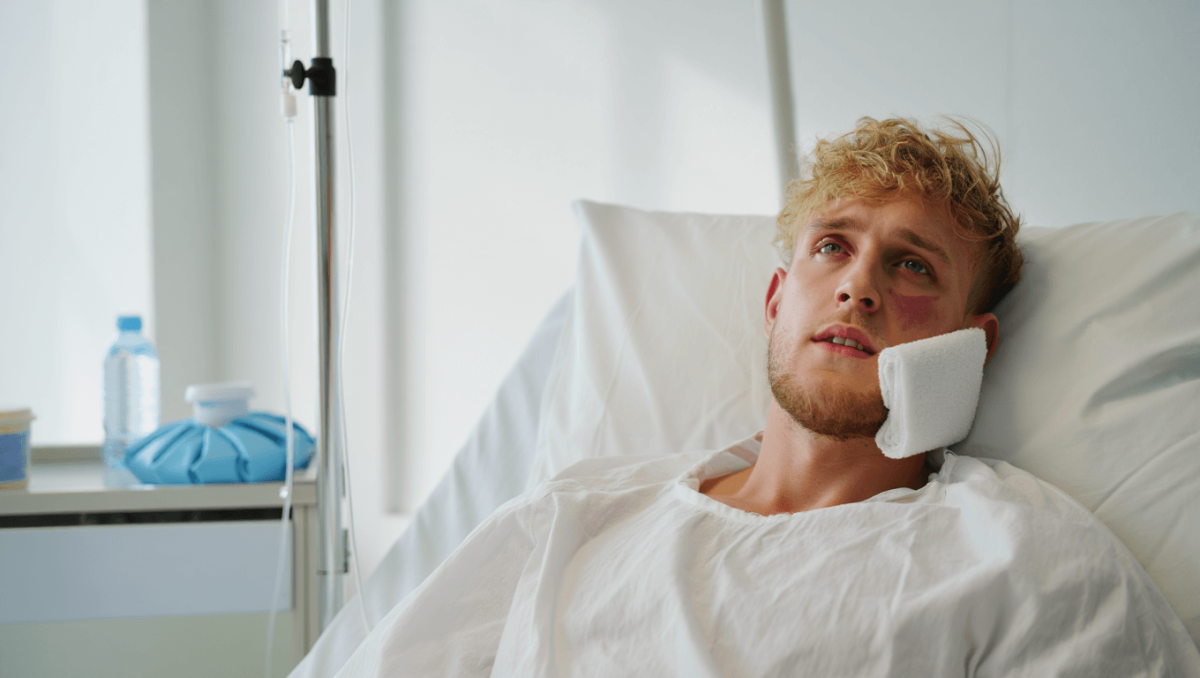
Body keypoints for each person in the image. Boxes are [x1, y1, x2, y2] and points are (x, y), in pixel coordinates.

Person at [332, 118, 1200, 677]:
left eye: (912, 266)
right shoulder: (573, 520)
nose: (859, 288)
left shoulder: (1032, 564)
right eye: (833, 246)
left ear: (973, 345)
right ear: (777, 299)